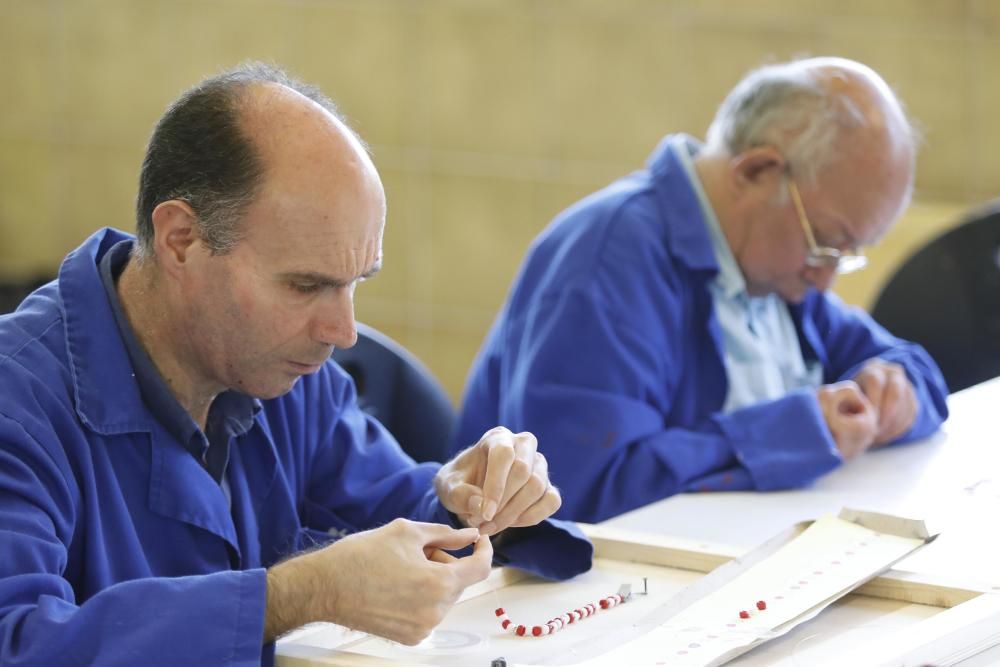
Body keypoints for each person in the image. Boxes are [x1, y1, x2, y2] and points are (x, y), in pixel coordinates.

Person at [0, 64, 592, 667]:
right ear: (181, 240)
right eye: (306, 284)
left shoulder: (284, 376)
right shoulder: (16, 408)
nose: (342, 333)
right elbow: (19, 641)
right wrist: (292, 595)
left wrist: (468, 501)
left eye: (356, 282)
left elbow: (383, 501)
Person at [453, 57, 950, 523]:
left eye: (849, 252)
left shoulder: (774, 265)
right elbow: (574, 496)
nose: (828, 278)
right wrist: (789, 433)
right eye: (826, 243)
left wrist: (897, 390)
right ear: (756, 172)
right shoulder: (606, 261)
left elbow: (905, 365)